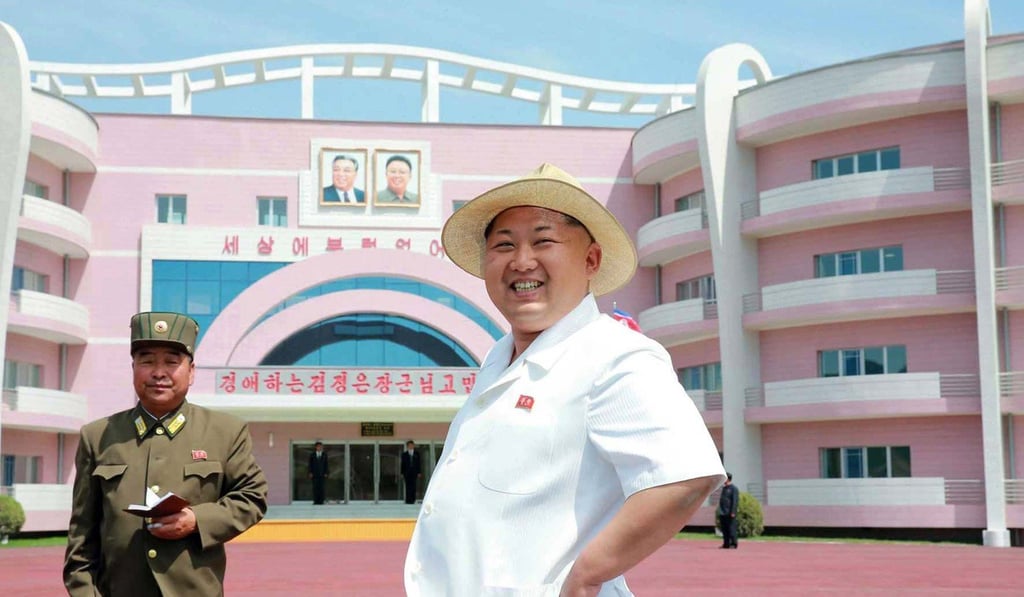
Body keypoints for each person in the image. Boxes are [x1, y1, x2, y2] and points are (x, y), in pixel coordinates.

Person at [405, 163, 725, 596]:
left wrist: (585, 578)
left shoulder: (614, 355)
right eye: (503, 245)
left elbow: (685, 476)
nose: (521, 261)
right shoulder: (498, 363)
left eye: (543, 241)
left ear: (590, 259)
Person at [64, 312, 269, 596]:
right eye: (147, 361)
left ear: (191, 371)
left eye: (172, 362)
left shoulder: (225, 431)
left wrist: (197, 520)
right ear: (133, 367)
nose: (158, 372)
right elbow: (81, 537)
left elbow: (252, 496)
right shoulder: (98, 436)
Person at [717, 472, 739, 549]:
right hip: (723, 512)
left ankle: (733, 543)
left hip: (730, 513)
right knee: (725, 529)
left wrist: (733, 512)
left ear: (728, 479)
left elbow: (734, 501)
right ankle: (726, 544)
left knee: (731, 529)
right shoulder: (724, 488)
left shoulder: (733, 489)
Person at [400, 440, 422, 504]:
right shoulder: (404, 454)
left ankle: (413, 499)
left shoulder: (416, 454)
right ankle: (408, 500)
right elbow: (402, 464)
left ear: (413, 446)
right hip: (407, 473)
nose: (411, 446)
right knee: (408, 486)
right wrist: (402, 473)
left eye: (412, 445)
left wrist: (419, 472)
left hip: (414, 473)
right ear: (407, 446)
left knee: (414, 486)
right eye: (409, 445)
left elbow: (418, 464)